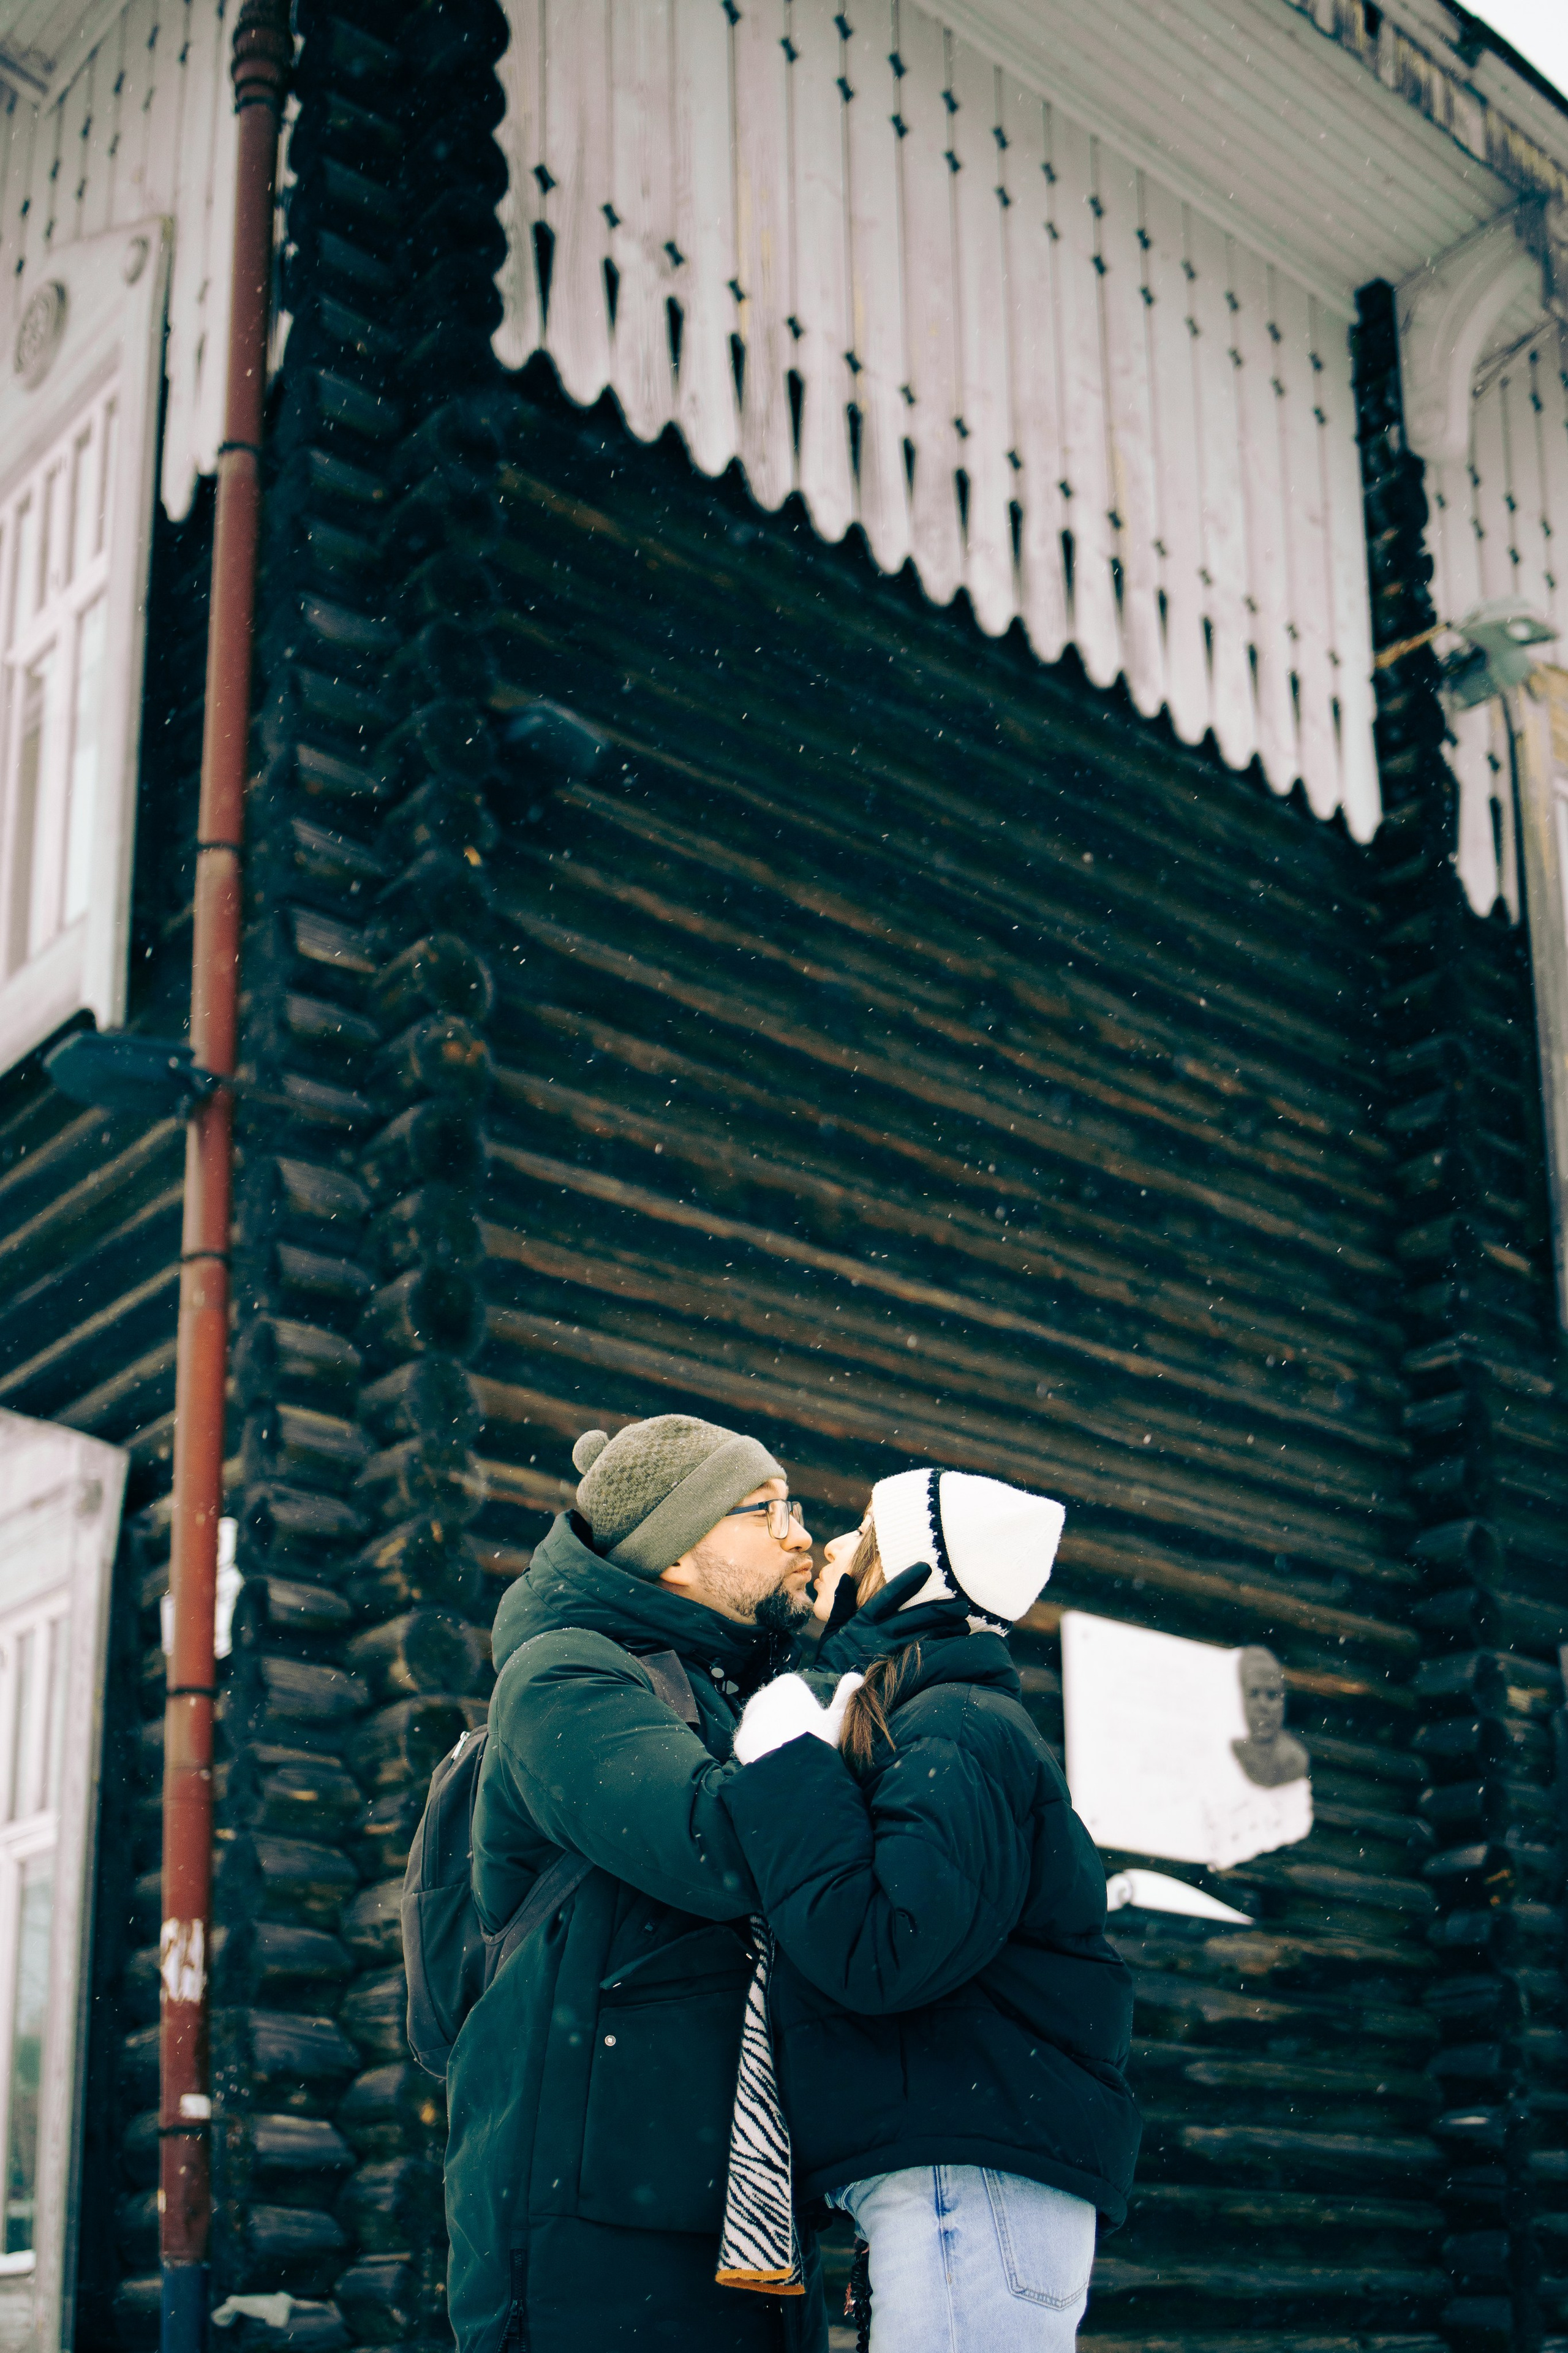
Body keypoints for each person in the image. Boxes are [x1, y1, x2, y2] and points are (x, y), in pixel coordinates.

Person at [442, 1413, 956, 2353]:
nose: (801, 1535)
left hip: (741, 2223)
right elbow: (717, 1842)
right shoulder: (563, 1676)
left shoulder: (722, 1692)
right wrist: (837, 1676)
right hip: (594, 2249)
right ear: (677, 1550)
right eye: (770, 1510)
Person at [715, 1468, 1141, 2353]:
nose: (832, 1543)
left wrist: (788, 1755)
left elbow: (884, 1949)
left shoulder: (954, 1727)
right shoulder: (934, 1718)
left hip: (970, 2174)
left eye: (862, 1530)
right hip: (961, 2167)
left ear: (904, 1571)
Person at [1230, 1644, 1310, 1788]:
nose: (1263, 1705)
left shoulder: (1293, 1760)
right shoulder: (1228, 1751)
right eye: (1254, 1694)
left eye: (1272, 1695)